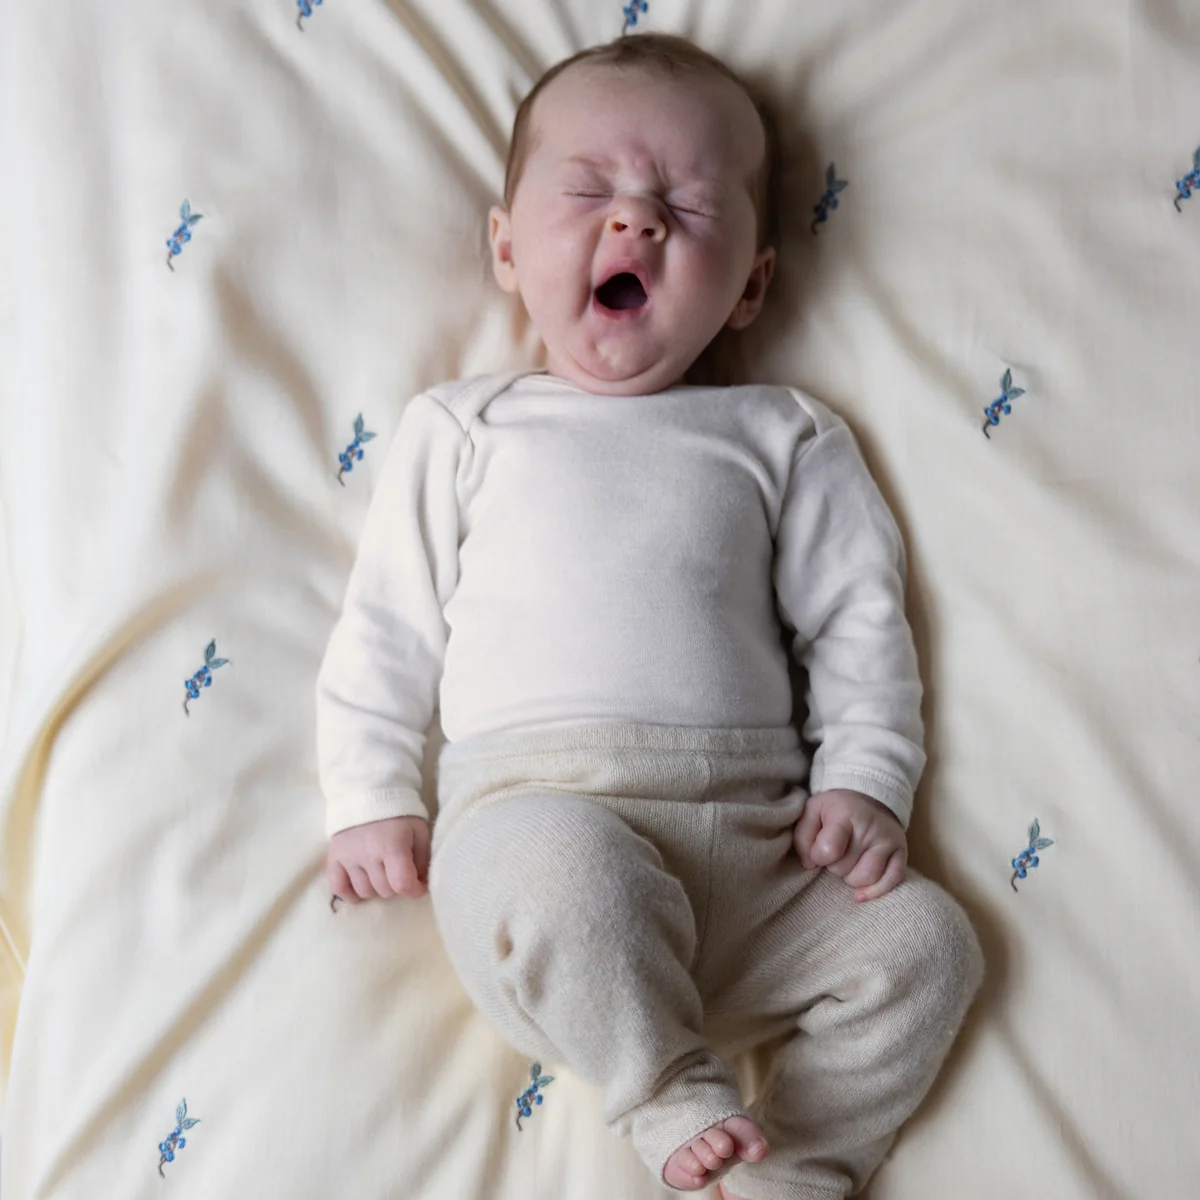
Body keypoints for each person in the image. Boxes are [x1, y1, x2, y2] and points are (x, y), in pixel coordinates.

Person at [316, 32, 984, 1199]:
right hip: (538, 827)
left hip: (764, 864)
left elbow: (857, 623)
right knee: (565, 878)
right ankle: (663, 1089)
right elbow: (386, 626)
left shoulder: (785, 435)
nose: (636, 219)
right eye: (588, 191)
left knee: (931, 947)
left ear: (753, 286)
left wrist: (868, 779)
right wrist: (370, 795)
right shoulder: (464, 429)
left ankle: (799, 1168)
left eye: (687, 201)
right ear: (507, 248)